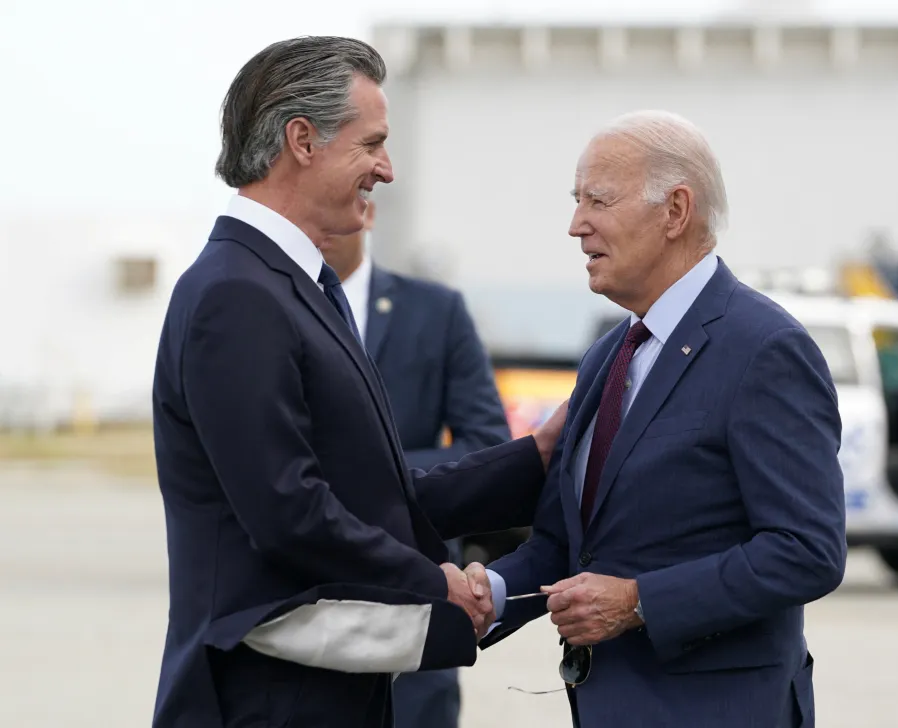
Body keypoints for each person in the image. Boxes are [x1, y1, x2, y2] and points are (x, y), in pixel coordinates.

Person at [150, 36, 564, 728]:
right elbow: (289, 510)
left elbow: (370, 493)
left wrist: (534, 459)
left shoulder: (291, 286)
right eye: (371, 144)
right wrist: (433, 583)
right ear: (302, 141)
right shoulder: (238, 295)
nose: (387, 170)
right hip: (264, 703)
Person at [478, 111, 847, 728]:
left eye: (598, 200)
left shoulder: (764, 348)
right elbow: (569, 545)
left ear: (676, 211)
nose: (576, 225)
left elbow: (807, 550)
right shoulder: (609, 355)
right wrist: (483, 596)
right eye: (576, 201)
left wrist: (639, 602)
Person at [320, 200, 511, 728]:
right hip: (304, 596)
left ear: (368, 210)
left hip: (418, 594)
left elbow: (487, 445)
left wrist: (359, 477)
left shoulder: (436, 311)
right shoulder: (267, 310)